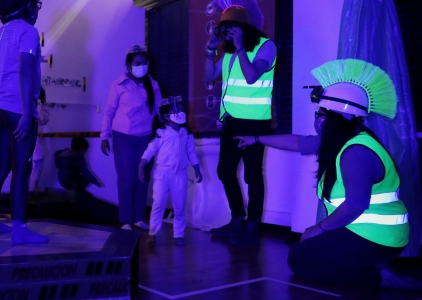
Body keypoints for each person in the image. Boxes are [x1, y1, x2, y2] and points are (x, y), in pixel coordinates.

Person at [236, 59, 420, 289]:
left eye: (322, 114)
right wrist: (255, 139)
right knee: (302, 252)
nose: (318, 120)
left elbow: (355, 205)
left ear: (339, 118)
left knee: (300, 261)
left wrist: (319, 228)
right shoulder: (341, 141)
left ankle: (381, 277)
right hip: (359, 229)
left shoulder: (357, 151)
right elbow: (298, 142)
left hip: (379, 236)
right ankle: (371, 266)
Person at [205, 0, 277, 246]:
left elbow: (251, 76)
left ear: (244, 28)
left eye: (231, 29)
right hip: (232, 122)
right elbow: (209, 77)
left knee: (253, 175)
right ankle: (237, 218)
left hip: (255, 123)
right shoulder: (228, 54)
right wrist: (210, 52)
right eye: (225, 30)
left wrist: (239, 49)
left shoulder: (266, 47)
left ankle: (252, 225)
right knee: (225, 171)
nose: (226, 34)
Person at [0, 0, 48, 245]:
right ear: (26, 6)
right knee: (22, 169)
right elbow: (25, 72)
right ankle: (19, 230)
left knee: (1, 165)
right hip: (19, 110)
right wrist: (27, 112)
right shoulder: (28, 32)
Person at [101, 45, 163, 230]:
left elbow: (160, 111)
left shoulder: (153, 85)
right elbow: (109, 111)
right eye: (137, 63)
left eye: (145, 63)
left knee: (142, 177)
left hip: (146, 137)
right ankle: (126, 220)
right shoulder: (118, 85)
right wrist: (104, 136)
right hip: (123, 137)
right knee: (126, 178)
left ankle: (138, 218)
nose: (142, 67)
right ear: (129, 65)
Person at [139, 99, 202, 246]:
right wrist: (141, 167)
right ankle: (153, 233)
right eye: (176, 111)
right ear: (167, 116)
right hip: (162, 175)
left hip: (180, 175)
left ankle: (179, 234)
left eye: (181, 110)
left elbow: (191, 152)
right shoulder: (161, 133)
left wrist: (197, 168)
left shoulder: (186, 133)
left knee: (179, 206)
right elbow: (150, 150)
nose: (181, 114)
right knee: (158, 204)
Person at [30, 87, 49, 192]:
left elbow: (43, 120)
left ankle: (33, 187)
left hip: (31, 137)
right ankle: (30, 187)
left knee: (38, 159)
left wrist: (39, 106)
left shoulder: (38, 105)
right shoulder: (25, 102)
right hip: (24, 136)